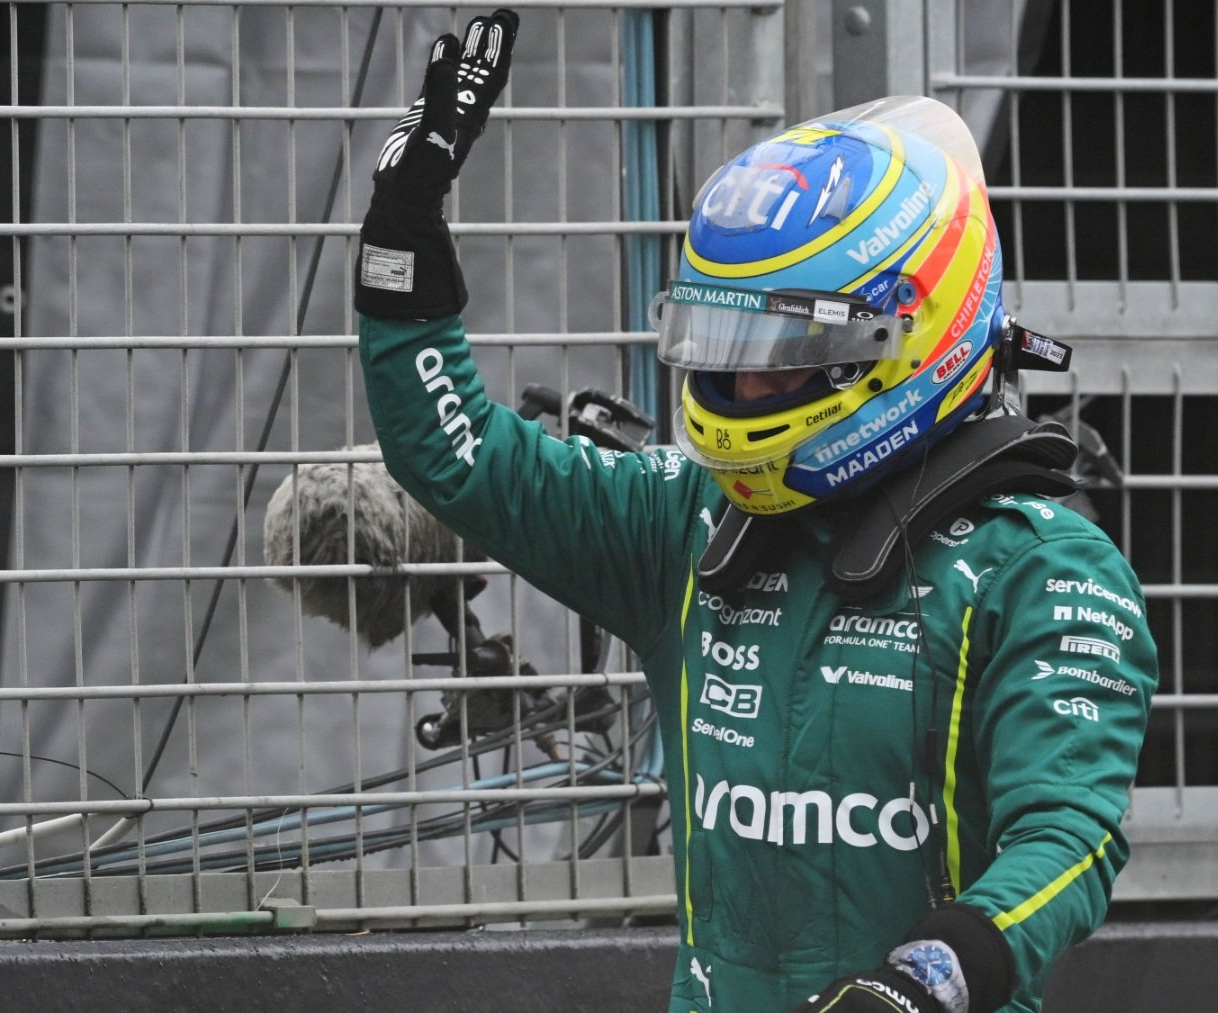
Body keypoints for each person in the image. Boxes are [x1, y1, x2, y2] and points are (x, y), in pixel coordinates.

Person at [356, 11, 1158, 1011]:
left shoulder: (1046, 570)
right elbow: (458, 455)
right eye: (721, 346)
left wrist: (926, 981)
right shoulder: (686, 525)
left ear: (906, 337)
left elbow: (1068, 840)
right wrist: (402, 236)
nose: (740, 387)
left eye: (776, 356)